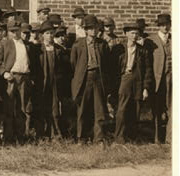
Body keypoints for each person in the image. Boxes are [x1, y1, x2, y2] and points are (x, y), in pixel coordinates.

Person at [70, 14, 111, 144]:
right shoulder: (78, 45)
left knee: (99, 109)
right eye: (90, 28)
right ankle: (81, 138)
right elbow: (73, 63)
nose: (93, 31)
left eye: (95, 28)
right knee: (82, 109)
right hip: (85, 78)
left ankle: (99, 138)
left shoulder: (102, 44)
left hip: (98, 78)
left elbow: (107, 63)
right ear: (86, 30)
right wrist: (81, 75)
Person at [113, 23, 154, 144]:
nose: (134, 36)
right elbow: (112, 68)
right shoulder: (118, 49)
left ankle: (132, 138)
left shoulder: (142, 51)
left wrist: (145, 88)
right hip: (124, 79)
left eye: (137, 33)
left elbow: (148, 70)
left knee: (135, 109)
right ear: (126, 34)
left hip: (138, 81)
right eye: (132, 33)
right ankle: (119, 138)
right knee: (122, 109)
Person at [0, 22, 34, 143]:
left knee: (22, 108)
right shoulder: (4, 44)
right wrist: (4, 73)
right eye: (12, 31)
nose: (15, 33)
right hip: (10, 79)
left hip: (24, 78)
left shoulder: (27, 45)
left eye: (17, 30)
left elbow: (31, 63)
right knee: (8, 108)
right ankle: (8, 138)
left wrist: (30, 77)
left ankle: (21, 137)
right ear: (8, 32)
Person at [37, 22, 69, 138]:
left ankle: (55, 133)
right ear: (42, 35)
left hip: (55, 83)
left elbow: (65, 68)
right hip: (42, 83)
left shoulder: (59, 50)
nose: (50, 36)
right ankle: (42, 134)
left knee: (55, 108)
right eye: (47, 33)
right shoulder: (37, 49)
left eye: (51, 33)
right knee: (42, 107)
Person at [147, 13, 172, 144]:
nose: (165, 27)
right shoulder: (152, 40)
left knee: (172, 108)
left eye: (167, 24)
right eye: (162, 25)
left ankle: (170, 138)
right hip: (158, 80)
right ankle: (156, 139)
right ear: (159, 26)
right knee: (157, 109)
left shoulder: (174, 39)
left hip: (172, 79)